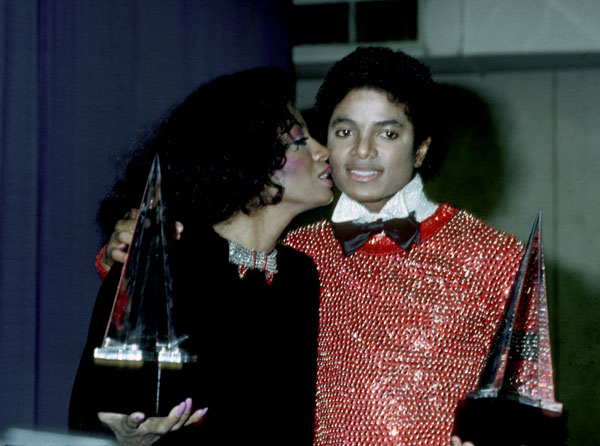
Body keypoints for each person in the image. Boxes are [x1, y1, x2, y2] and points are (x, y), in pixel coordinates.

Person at [96, 48, 525, 446]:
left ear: (421, 148)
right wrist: (124, 252)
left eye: (388, 133)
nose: (362, 151)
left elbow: (526, 408)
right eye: (344, 131)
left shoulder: (495, 257)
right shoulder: (292, 255)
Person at [70, 67, 334, 446]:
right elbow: (91, 414)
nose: (323, 151)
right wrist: (124, 438)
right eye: (300, 141)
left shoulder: (300, 274)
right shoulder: (162, 259)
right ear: (248, 157)